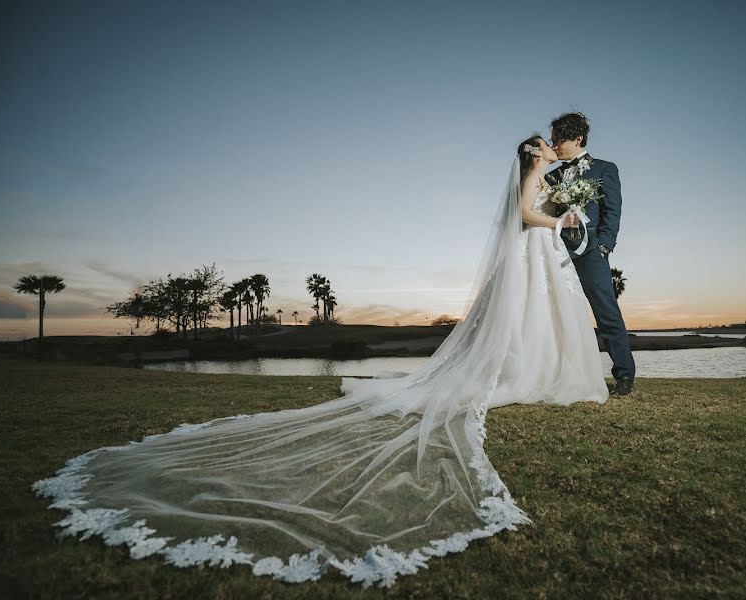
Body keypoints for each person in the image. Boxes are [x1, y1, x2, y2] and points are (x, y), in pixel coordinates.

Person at [31, 137, 608, 589]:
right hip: (537, 245)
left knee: (526, 318)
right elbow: (528, 215)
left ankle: (527, 365)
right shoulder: (534, 174)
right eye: (543, 146)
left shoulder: (536, 173)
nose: (547, 151)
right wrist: (559, 217)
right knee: (522, 319)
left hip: (534, 257)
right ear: (534, 152)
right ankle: (527, 370)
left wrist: (559, 213)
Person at [547, 112, 636, 396]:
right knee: (557, 314)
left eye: (559, 139)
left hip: (592, 252)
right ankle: (560, 372)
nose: (555, 145)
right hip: (557, 253)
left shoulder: (605, 169)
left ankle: (624, 376)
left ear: (578, 138)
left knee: (606, 311)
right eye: (552, 140)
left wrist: (604, 247)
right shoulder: (552, 176)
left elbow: (613, 211)